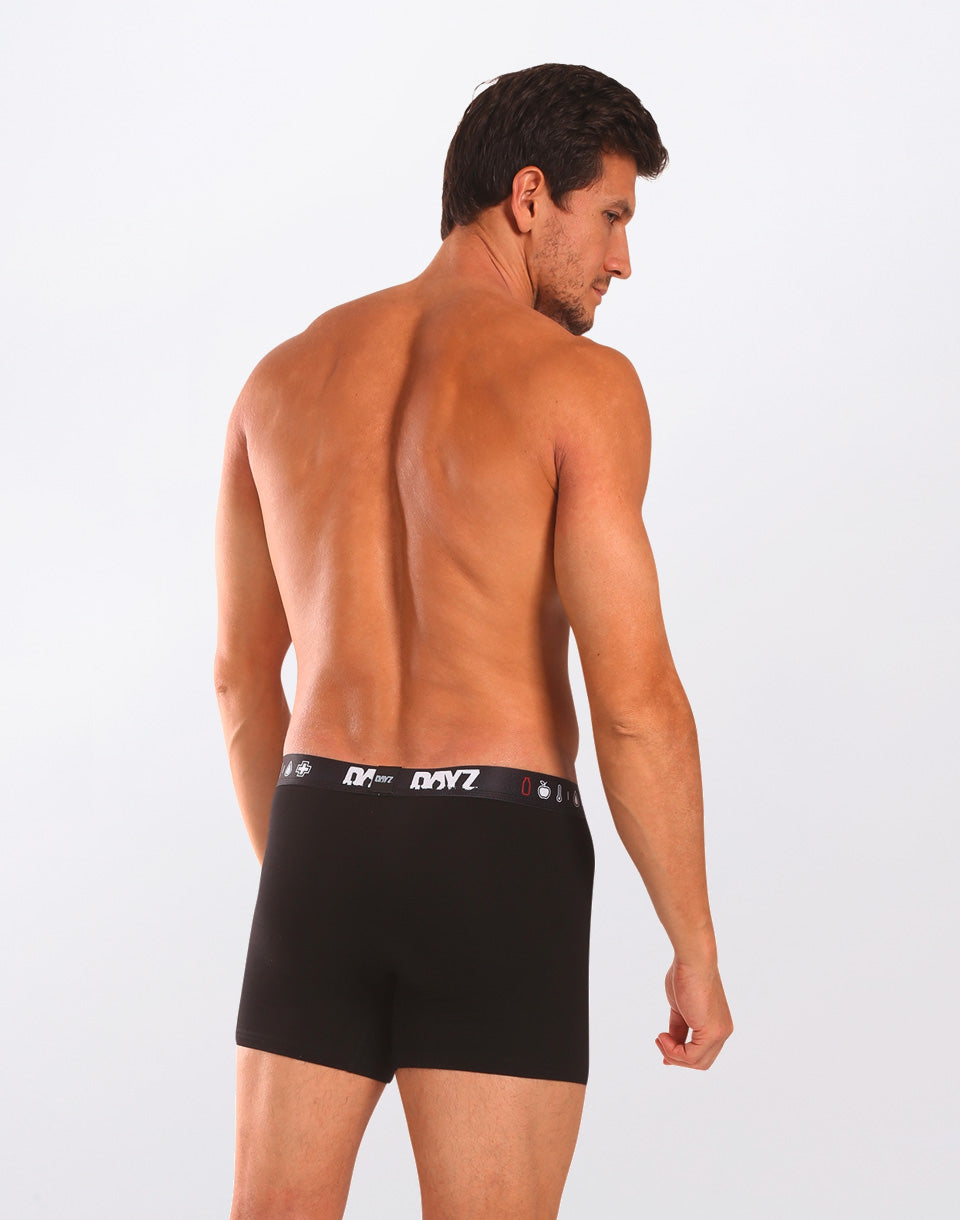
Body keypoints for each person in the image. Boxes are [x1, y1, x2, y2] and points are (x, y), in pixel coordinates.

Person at [214, 61, 733, 1220]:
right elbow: (636, 701)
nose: (622, 260)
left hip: (320, 838)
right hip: (494, 853)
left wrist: (314, 886)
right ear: (530, 196)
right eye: (612, 217)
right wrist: (693, 942)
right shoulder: (579, 386)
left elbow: (242, 683)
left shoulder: (279, 379)